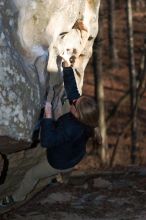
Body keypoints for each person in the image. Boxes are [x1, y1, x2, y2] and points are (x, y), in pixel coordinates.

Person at [0, 57, 101, 206]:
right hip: (75, 154)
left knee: (31, 175)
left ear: (78, 114)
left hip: (59, 161)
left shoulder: (71, 128)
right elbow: (73, 91)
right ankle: (60, 176)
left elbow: (47, 141)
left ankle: (16, 197)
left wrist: (48, 115)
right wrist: (67, 68)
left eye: (75, 105)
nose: (74, 102)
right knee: (65, 103)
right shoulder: (86, 119)